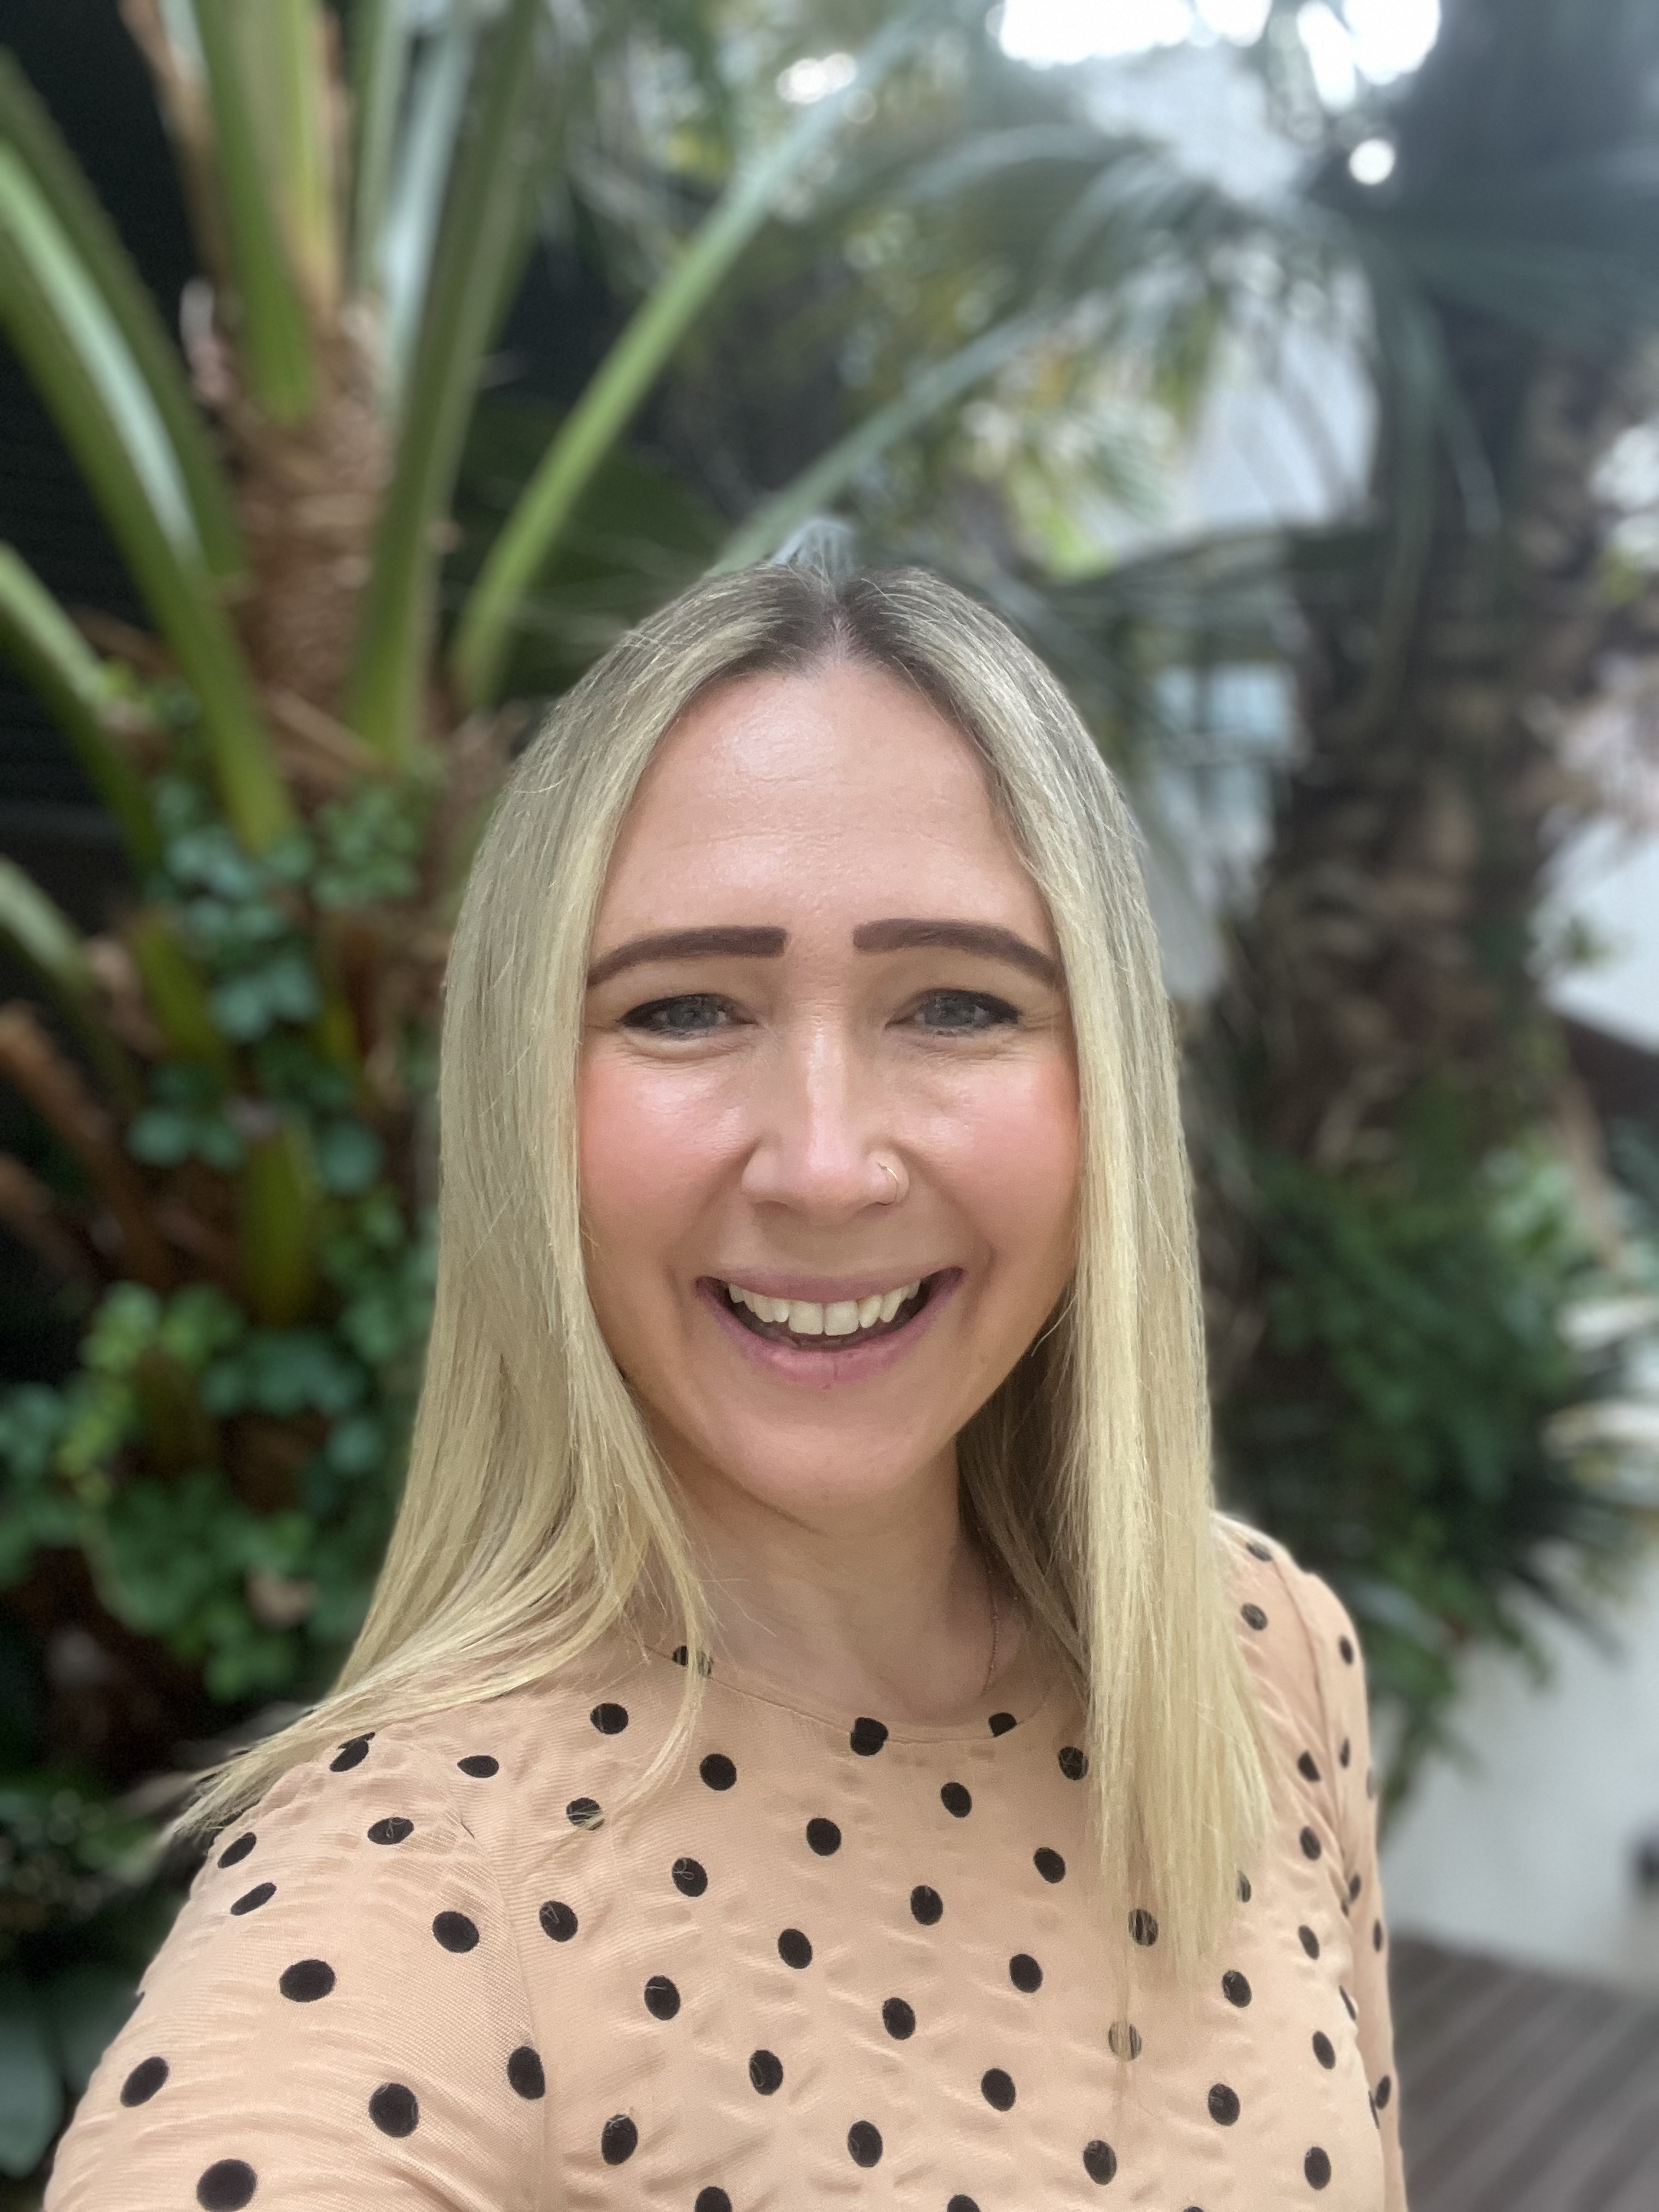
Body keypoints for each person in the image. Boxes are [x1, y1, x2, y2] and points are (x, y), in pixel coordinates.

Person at [45, 564, 1405, 2211]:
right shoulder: (408, 1886)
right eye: (685, 1007)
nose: (825, 1163)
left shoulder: (1256, 1653)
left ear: (1103, 1079)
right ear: (529, 1101)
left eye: (958, 1003)